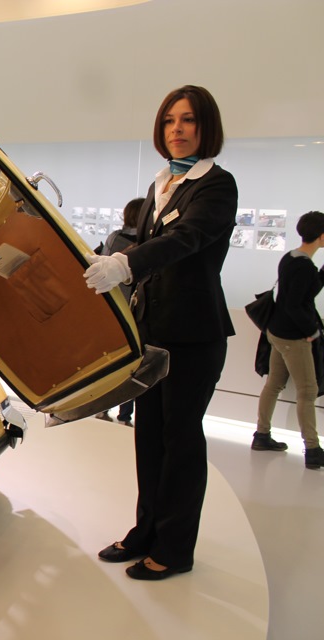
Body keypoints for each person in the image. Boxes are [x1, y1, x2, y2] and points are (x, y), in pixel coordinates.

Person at [83, 85, 238, 580]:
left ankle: (174, 548)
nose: (177, 129)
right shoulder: (161, 183)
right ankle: (145, 531)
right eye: (170, 120)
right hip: (151, 330)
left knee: (181, 443)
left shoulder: (216, 184)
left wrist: (124, 264)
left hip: (193, 334)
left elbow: (185, 238)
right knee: (148, 437)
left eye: (188, 120)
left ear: (205, 127)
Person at [255, 211, 324, 469]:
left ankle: (262, 435)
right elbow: (296, 304)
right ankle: (313, 449)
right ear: (321, 236)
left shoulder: (292, 258)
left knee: (273, 384)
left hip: (277, 332)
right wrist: (311, 331)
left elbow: (306, 291)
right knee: (308, 391)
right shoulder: (303, 266)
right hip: (292, 337)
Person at [94, 197, 144, 426]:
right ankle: (125, 415)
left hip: (114, 310)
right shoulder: (147, 241)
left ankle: (103, 408)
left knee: (113, 363)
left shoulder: (115, 238)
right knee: (134, 364)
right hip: (136, 311)